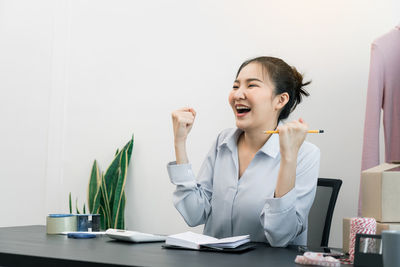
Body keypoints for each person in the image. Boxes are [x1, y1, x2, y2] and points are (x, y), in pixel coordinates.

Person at [167, 56, 320, 247]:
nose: (238, 94)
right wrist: (179, 142)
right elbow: (193, 213)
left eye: (251, 85)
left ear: (280, 100)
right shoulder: (222, 142)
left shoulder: (306, 154)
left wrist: (288, 156)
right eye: (235, 86)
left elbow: (281, 236)